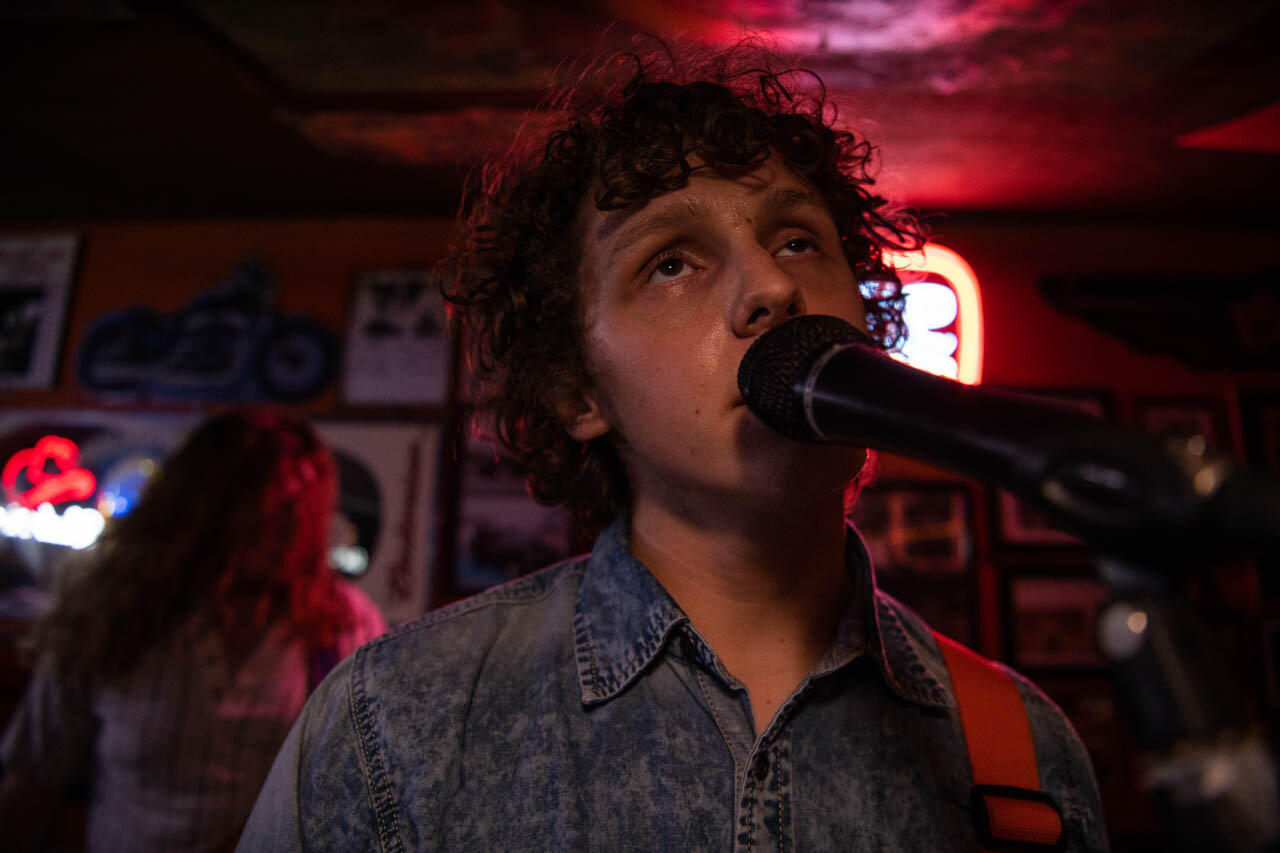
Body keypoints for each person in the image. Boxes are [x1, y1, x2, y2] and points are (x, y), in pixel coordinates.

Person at [239, 38, 1107, 850]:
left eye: (799, 240)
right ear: (580, 392)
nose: (771, 286)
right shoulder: (394, 725)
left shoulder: (1024, 753)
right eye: (671, 262)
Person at [0, 409, 386, 852]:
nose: (276, 528)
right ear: (203, 505)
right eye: (257, 506)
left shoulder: (341, 622)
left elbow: (367, 792)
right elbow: (32, 778)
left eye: (293, 509)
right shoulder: (114, 607)